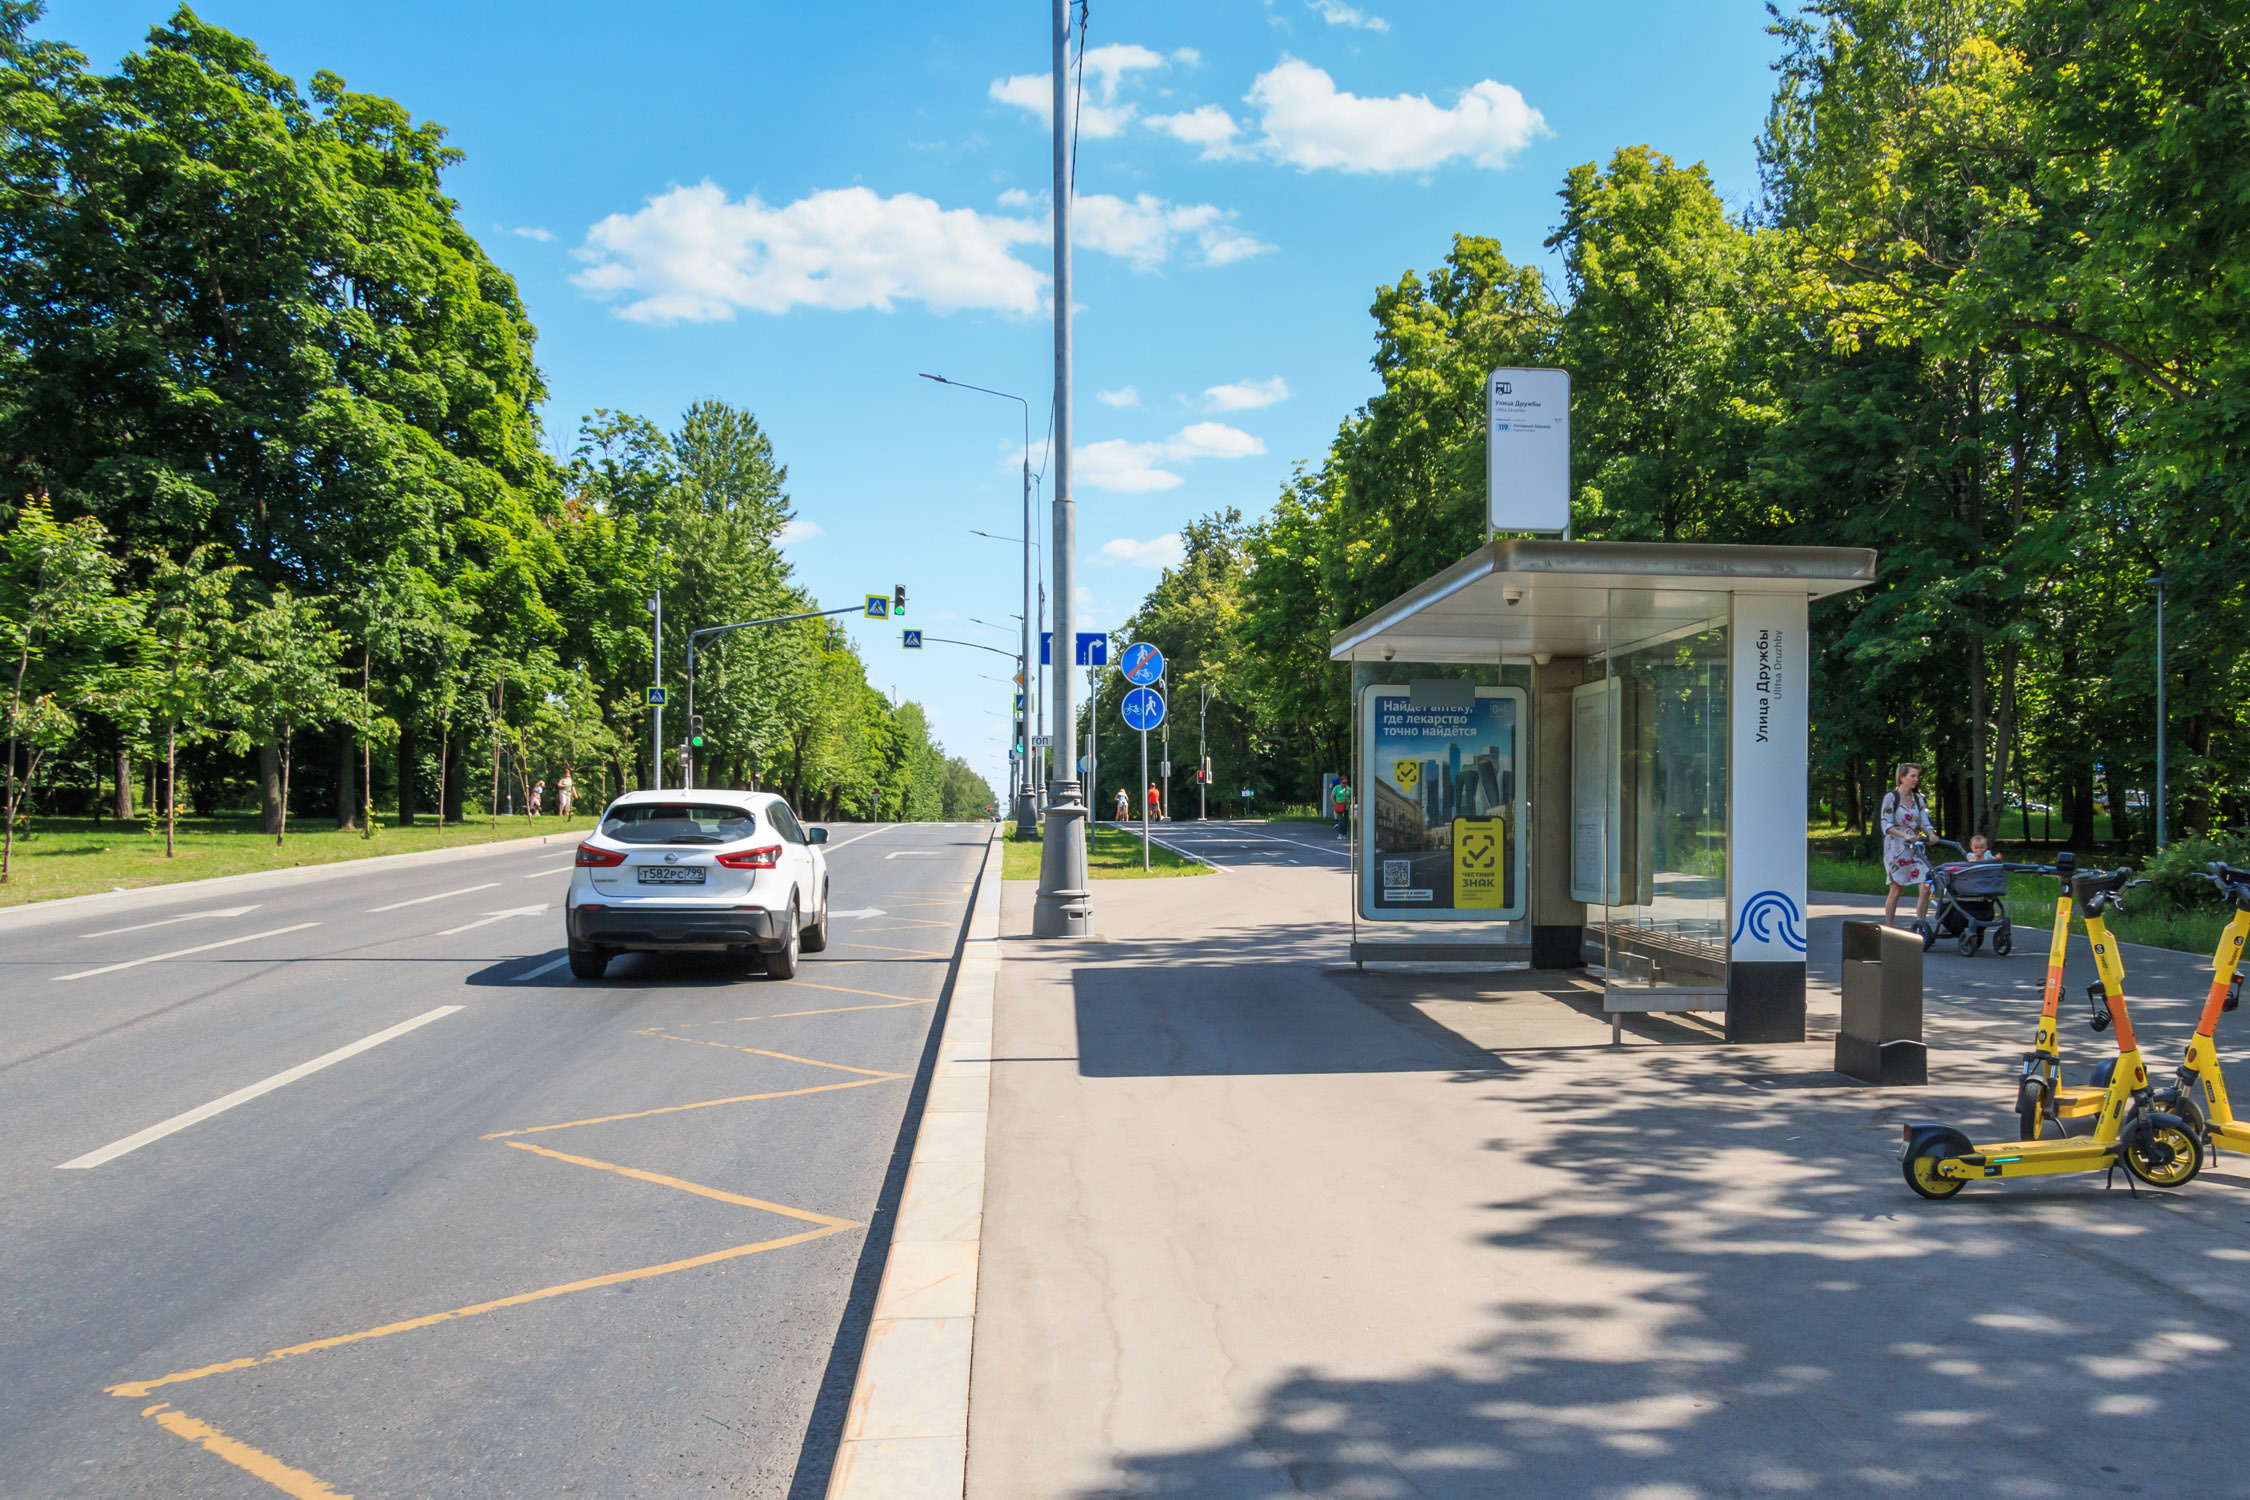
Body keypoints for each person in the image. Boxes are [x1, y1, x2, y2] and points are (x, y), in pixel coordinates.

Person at [1881, 762, 1934, 929]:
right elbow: (1886, 826)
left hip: (1915, 850)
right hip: (1895, 849)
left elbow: (1925, 823)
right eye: (1912, 776)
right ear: (1902, 777)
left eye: (1917, 776)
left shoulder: (1918, 799)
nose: (1916, 779)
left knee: (1927, 884)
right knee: (1896, 889)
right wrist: (1905, 835)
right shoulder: (1891, 798)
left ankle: (1921, 925)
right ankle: (1889, 927)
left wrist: (1931, 834)